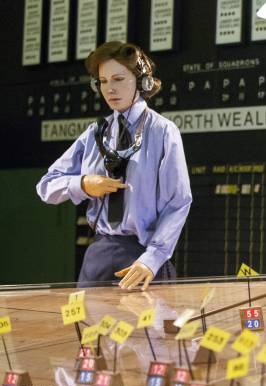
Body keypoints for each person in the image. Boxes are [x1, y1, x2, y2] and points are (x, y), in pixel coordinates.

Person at [36, 42, 192, 290]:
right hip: (98, 255)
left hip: (143, 258)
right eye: (103, 81)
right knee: (87, 330)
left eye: (118, 79)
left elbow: (179, 202)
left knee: (141, 330)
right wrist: (83, 184)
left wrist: (152, 259)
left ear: (142, 82)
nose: (110, 89)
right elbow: (46, 186)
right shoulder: (94, 134)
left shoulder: (163, 132)